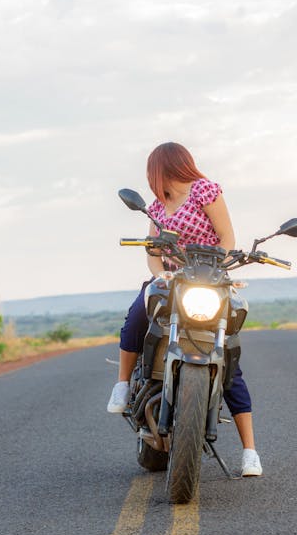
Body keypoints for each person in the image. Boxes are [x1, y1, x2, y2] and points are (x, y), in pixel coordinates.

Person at [107, 142, 262, 477]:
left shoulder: (205, 190)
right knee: (137, 313)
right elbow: (151, 252)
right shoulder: (156, 208)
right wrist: (158, 273)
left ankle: (250, 451)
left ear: (162, 168)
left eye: (153, 171)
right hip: (172, 280)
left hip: (209, 280)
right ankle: (122, 383)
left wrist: (215, 267)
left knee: (229, 357)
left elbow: (226, 237)